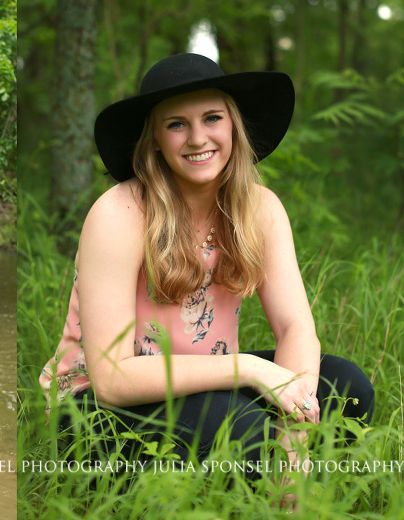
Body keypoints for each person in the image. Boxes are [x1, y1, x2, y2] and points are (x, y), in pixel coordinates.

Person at [40, 53, 374, 499]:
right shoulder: (120, 212)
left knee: (347, 387)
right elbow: (113, 380)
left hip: (208, 384)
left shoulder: (259, 208)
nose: (198, 138)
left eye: (212, 118)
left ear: (232, 125)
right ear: (155, 138)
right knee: (249, 431)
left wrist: (295, 429)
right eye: (177, 124)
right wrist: (251, 369)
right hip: (94, 411)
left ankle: (285, 493)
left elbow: (296, 327)